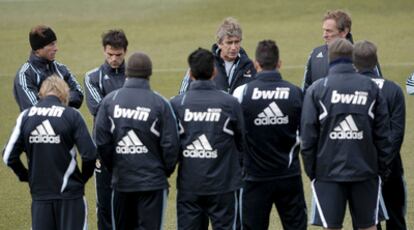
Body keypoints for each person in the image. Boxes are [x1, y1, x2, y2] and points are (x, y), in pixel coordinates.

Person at [301, 38, 392, 230]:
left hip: (328, 173)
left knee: (332, 227)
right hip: (366, 171)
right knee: (369, 226)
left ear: (329, 59)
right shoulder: (371, 87)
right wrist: (380, 170)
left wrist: (314, 172)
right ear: (353, 59)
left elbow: (308, 137)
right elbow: (384, 135)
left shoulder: (317, 89)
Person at [94, 52, 179, 229]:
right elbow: (171, 145)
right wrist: (163, 172)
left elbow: (101, 141)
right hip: (153, 184)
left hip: (121, 181)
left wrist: (114, 167)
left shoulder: (110, 101)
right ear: (149, 74)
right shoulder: (160, 103)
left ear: (127, 72)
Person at [3, 75, 96, 230]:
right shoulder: (71, 115)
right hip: (70, 196)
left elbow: (8, 156)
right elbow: (90, 154)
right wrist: (82, 179)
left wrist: (26, 176)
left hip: (40, 196)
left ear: (41, 93)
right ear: (64, 93)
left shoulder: (26, 116)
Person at [233, 40, 307, 230]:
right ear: (279, 63)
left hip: (254, 177)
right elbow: (306, 134)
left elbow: (234, 134)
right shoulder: (295, 92)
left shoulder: (242, 93)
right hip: (289, 175)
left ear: (256, 64)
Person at [171, 48, 244, 229]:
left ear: (190, 73)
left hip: (189, 184)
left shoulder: (177, 103)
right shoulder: (230, 103)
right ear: (214, 71)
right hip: (224, 185)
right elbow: (243, 142)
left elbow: (170, 146)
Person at [353, 40, 407, 230]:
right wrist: (385, 163)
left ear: (354, 64)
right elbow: (397, 133)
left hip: (361, 166)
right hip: (391, 166)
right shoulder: (393, 89)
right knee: (395, 217)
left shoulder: (352, 90)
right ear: (376, 62)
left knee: (366, 221)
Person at [83, 29, 128, 230]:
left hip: (130, 149)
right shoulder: (92, 77)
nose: (114, 59)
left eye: (118, 55)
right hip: (102, 150)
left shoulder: (135, 75)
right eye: (110, 54)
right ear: (104, 50)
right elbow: (97, 109)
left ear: (125, 52)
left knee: (129, 202)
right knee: (104, 202)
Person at [302, 10, 381, 93]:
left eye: (329, 31)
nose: (324, 35)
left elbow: (379, 88)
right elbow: (306, 90)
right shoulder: (315, 54)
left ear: (344, 32)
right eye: (324, 30)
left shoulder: (364, 54)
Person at [13, 25, 83, 111]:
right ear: (38, 49)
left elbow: (78, 95)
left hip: (63, 123)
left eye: (55, 43)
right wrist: (62, 97)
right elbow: (34, 109)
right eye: (51, 45)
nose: (56, 48)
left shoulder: (61, 69)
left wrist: (50, 99)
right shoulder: (25, 75)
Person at [179, 17, 256, 94]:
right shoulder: (204, 64)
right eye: (229, 43)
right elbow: (183, 94)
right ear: (219, 43)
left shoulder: (249, 66)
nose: (233, 47)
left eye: (237, 42)